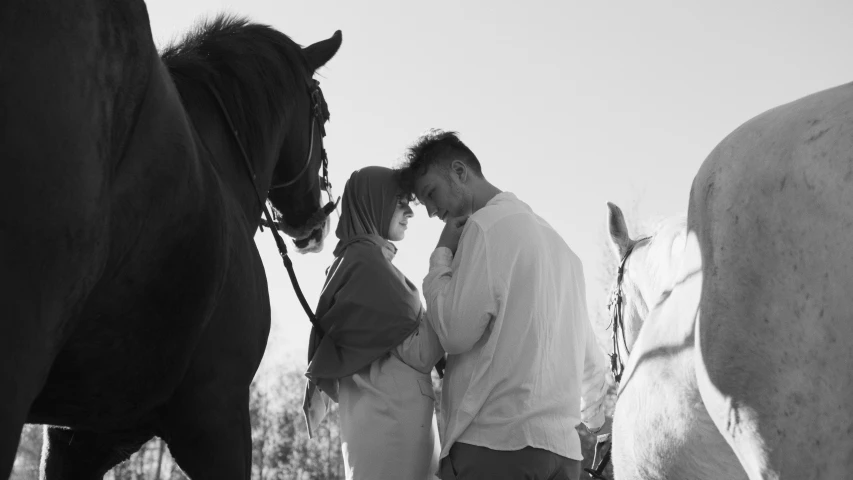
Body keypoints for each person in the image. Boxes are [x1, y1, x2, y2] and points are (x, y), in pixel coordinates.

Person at [396, 130, 611, 480]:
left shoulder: (483, 229)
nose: (433, 212)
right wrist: (598, 421)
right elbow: (589, 357)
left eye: (431, 194)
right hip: (564, 454)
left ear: (460, 172)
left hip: (495, 448)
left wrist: (441, 256)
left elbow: (454, 331)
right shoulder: (563, 249)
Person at [302, 166, 445, 480]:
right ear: (374, 203)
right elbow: (420, 353)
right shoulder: (369, 267)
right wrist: (448, 267)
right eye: (400, 203)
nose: (410, 212)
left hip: (382, 427)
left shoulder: (356, 264)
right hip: (392, 432)